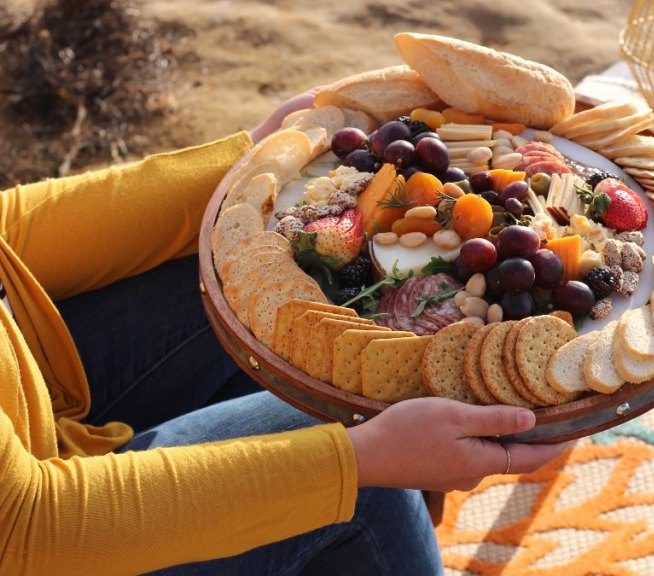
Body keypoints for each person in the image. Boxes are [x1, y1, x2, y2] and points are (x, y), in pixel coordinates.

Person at [0, 88, 565, 575]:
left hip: (34, 383)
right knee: (359, 459)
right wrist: (363, 458)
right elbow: (27, 529)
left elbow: (11, 232)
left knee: (238, 264)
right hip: (42, 529)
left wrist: (246, 159)